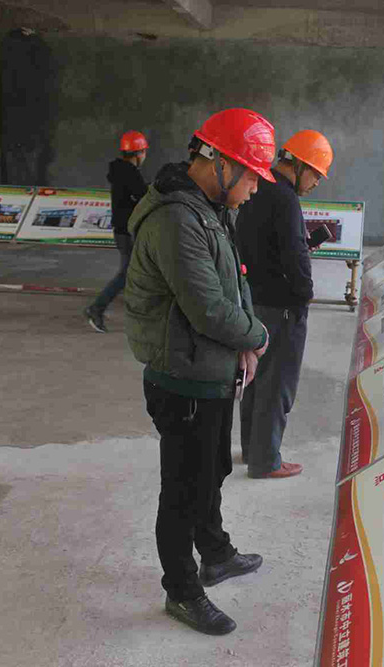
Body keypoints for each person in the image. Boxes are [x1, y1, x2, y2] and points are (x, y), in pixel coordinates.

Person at [123, 108, 275, 636]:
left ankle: (215, 553)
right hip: (181, 379)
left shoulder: (209, 208)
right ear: (221, 163)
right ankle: (182, 591)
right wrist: (257, 336)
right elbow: (208, 307)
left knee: (212, 472)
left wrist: (246, 341)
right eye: (252, 175)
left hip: (209, 371)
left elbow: (237, 281)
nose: (255, 189)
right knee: (184, 489)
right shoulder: (175, 219)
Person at [236, 130, 333, 479]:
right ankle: (266, 461)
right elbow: (294, 256)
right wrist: (305, 293)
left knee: (255, 378)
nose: (316, 183)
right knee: (278, 384)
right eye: (316, 174)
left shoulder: (256, 187)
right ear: (301, 165)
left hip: (254, 300)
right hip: (282, 306)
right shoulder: (286, 198)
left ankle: (252, 450)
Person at [84, 130, 149, 332]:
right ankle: (96, 308)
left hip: (122, 230)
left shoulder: (120, 172)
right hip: (128, 231)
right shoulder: (130, 173)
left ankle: (140, 312)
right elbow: (145, 196)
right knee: (127, 274)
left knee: (137, 272)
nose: (145, 156)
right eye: (144, 152)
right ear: (138, 153)